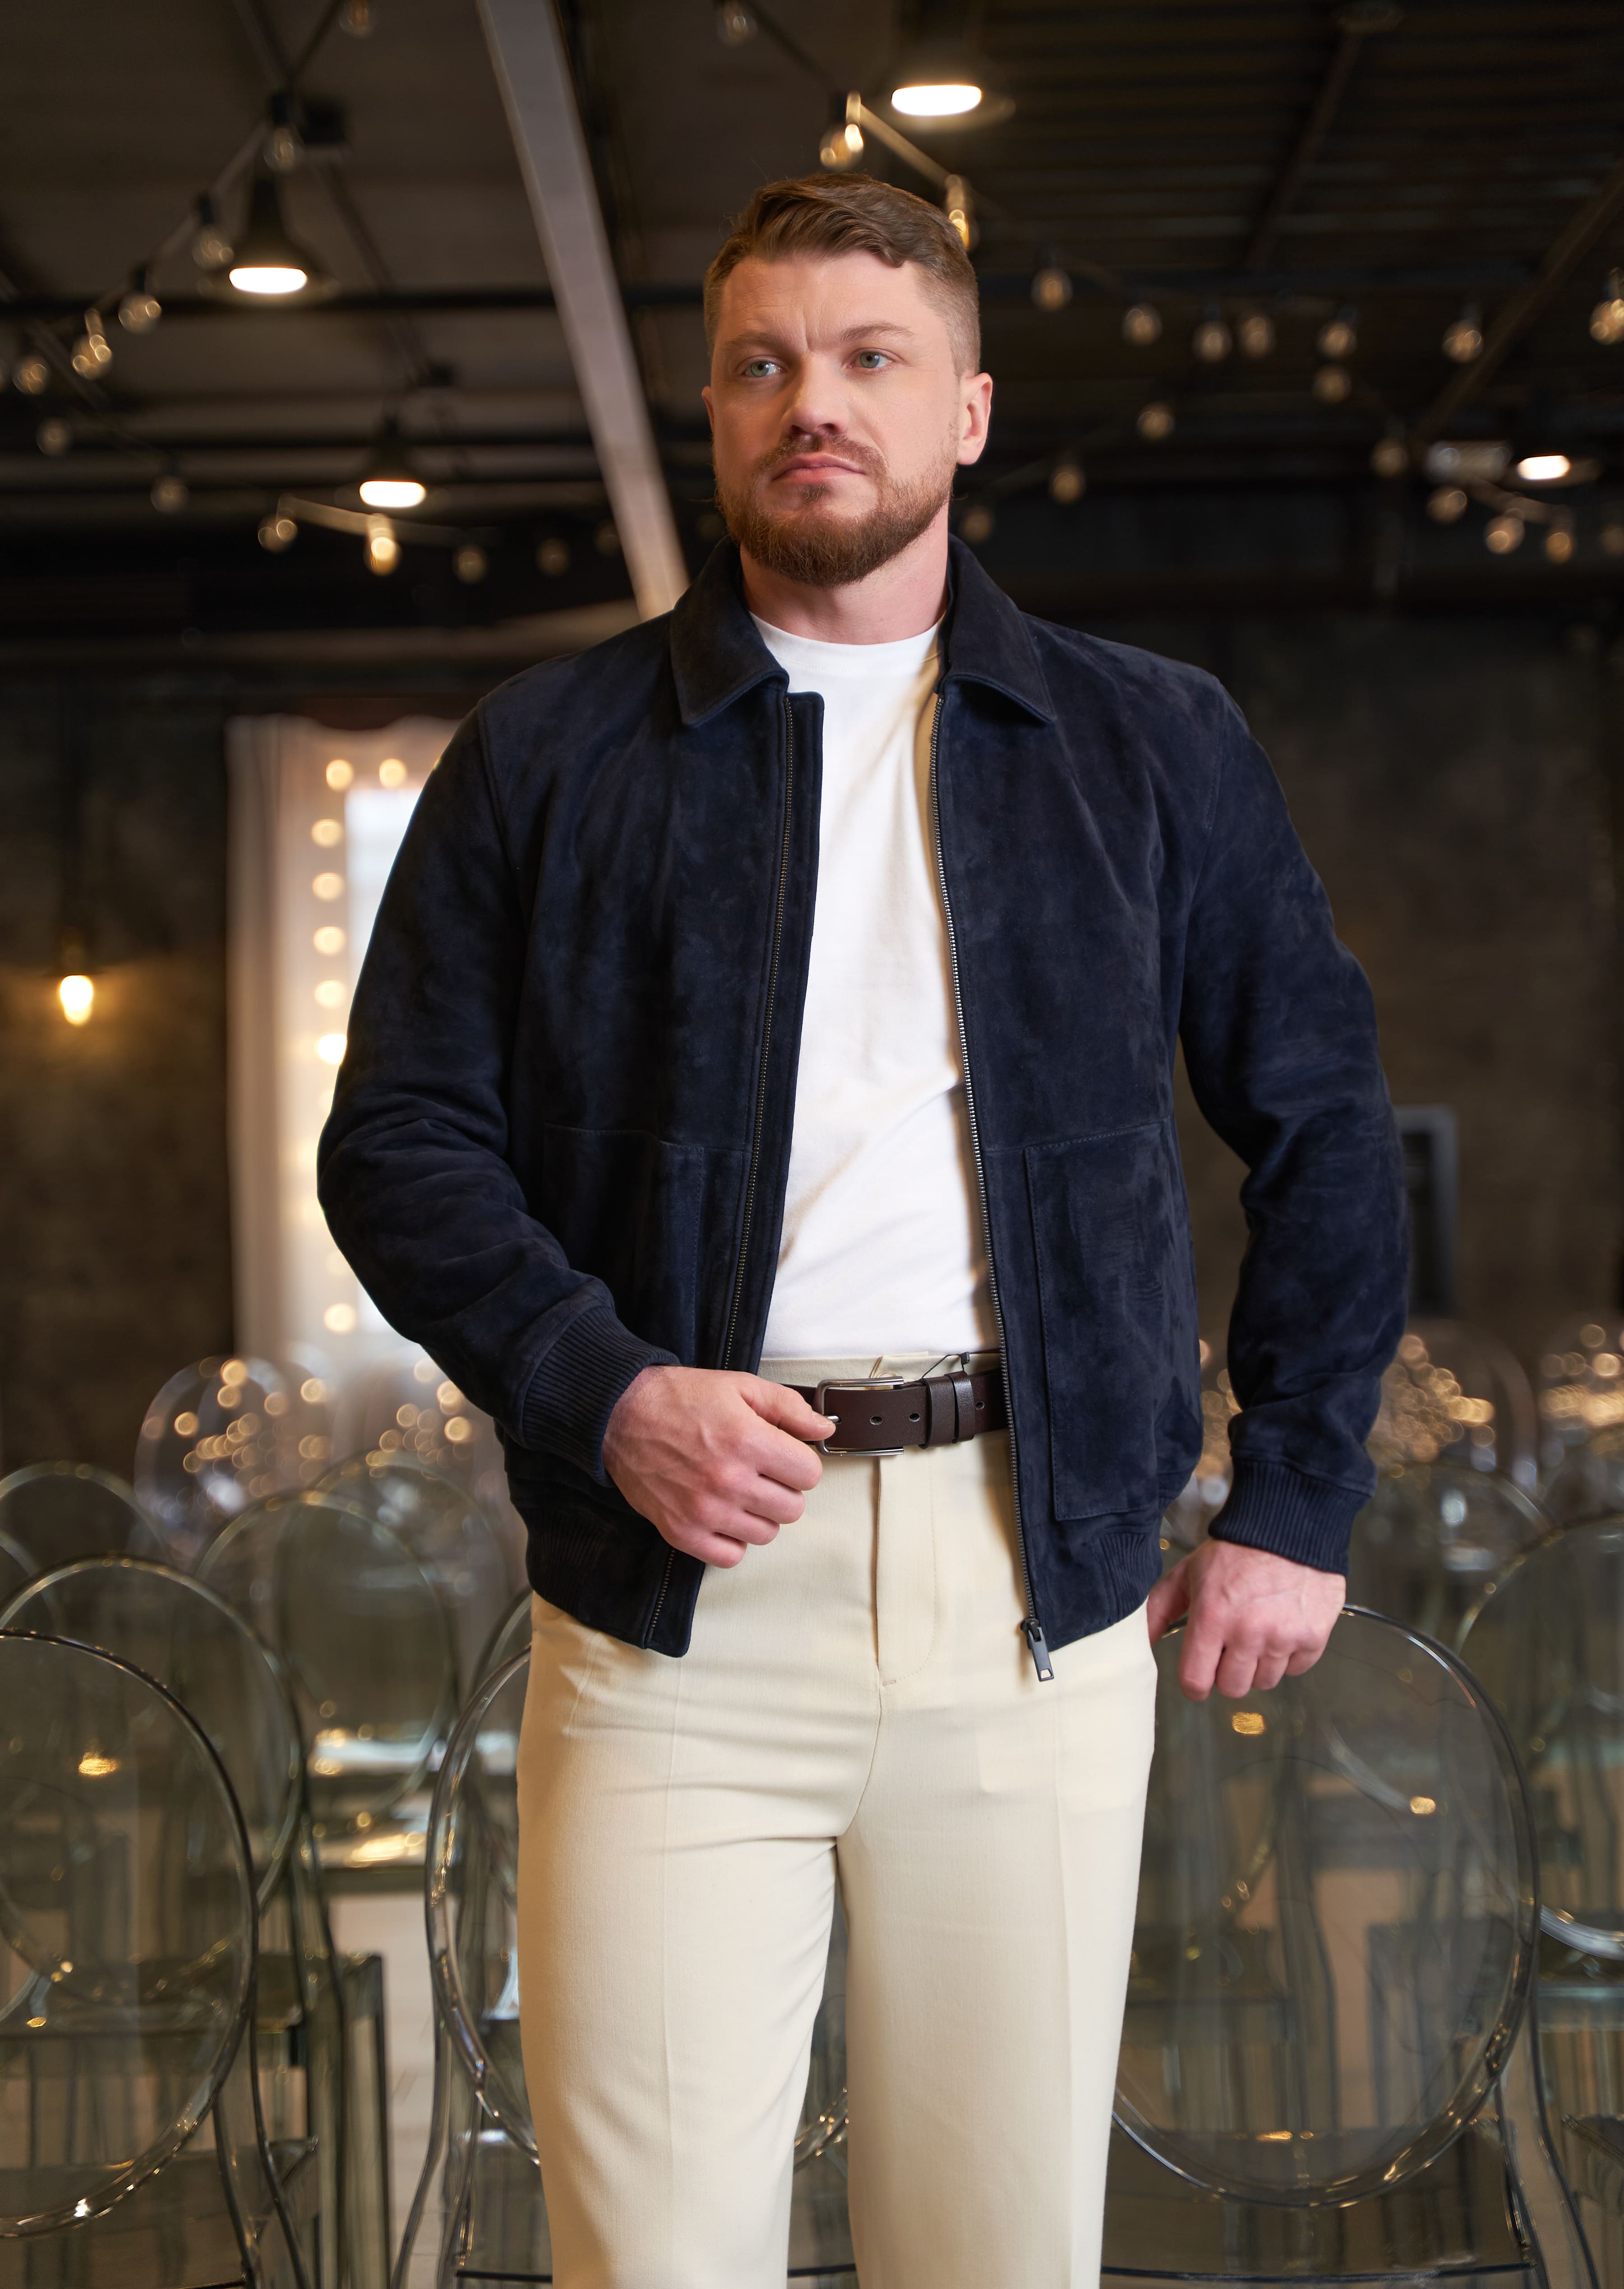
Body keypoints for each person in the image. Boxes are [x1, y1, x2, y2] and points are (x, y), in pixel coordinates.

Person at [319, 172, 1406, 2289]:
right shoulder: (547, 756)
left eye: (869, 357)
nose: (811, 401)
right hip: (672, 1611)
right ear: (718, 409)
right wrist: (600, 1385)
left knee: (999, 2253)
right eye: (763, 363)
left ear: (967, 410)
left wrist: (1298, 1493)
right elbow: (399, 1143)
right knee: (654, 2259)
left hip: (1034, 1593)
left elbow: (1327, 1119)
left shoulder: (1149, 741)